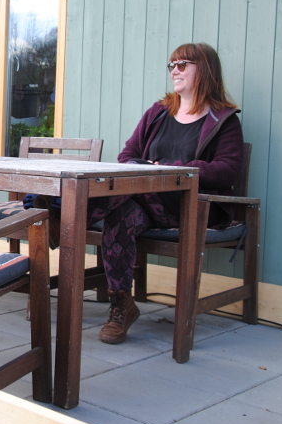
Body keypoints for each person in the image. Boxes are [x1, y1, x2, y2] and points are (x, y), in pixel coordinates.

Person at [26, 42, 244, 345]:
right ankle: (121, 306)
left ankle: (61, 218)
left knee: (134, 190)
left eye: (183, 64)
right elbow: (127, 157)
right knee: (122, 213)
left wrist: (170, 168)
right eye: (172, 65)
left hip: (185, 206)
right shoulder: (158, 112)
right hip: (143, 201)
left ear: (204, 69)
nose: (175, 71)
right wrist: (145, 168)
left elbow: (228, 169)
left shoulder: (223, 120)